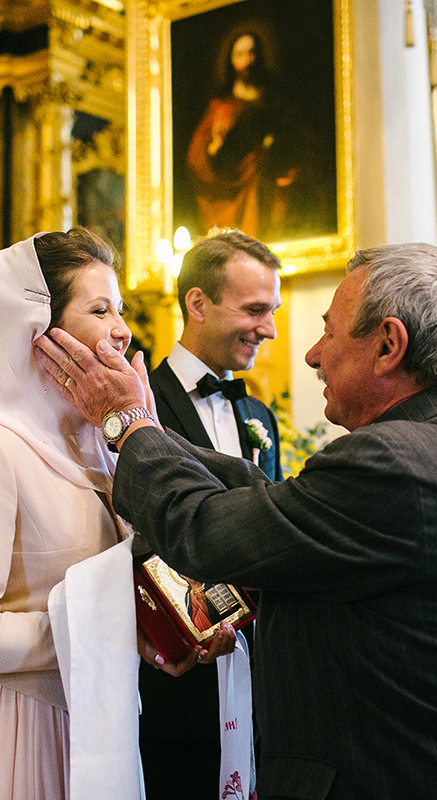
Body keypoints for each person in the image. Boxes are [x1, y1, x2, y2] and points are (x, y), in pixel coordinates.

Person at [35, 242, 437, 800]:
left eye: (330, 331)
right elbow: (281, 504)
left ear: (389, 344)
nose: (312, 354)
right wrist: (154, 433)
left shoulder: (397, 463)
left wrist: (127, 423)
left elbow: (206, 529)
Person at [0, 228, 175, 800]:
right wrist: (111, 631)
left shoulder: (102, 449)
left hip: (103, 722)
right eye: (100, 309)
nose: (123, 328)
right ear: (40, 332)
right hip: (22, 733)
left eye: (122, 309)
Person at [141, 228, 283, 799]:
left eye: (271, 311)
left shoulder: (259, 416)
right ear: (198, 304)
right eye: (254, 310)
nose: (269, 329)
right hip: (176, 673)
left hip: (255, 667)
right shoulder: (140, 408)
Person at [185, 30, 306, 240]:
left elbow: (298, 142)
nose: (248, 61)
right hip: (231, 184)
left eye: (252, 53)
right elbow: (197, 156)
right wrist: (214, 148)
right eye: (240, 54)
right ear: (231, 61)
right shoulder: (220, 106)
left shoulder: (276, 100)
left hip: (268, 181)